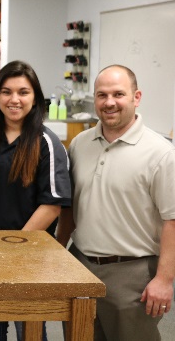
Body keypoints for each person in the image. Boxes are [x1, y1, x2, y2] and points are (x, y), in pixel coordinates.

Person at [56, 65, 175, 341]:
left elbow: (171, 220)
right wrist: (60, 253)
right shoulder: (80, 144)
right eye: (102, 95)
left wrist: (164, 280)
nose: (109, 102)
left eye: (118, 94)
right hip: (81, 265)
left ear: (136, 97)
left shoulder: (162, 154)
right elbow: (71, 208)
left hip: (132, 275)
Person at [0, 60, 71, 341]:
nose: (14, 99)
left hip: (28, 256)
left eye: (23, 92)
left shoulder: (46, 143)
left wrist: (13, 248)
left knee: (29, 330)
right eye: (6, 92)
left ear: (35, 99)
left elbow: (51, 205)